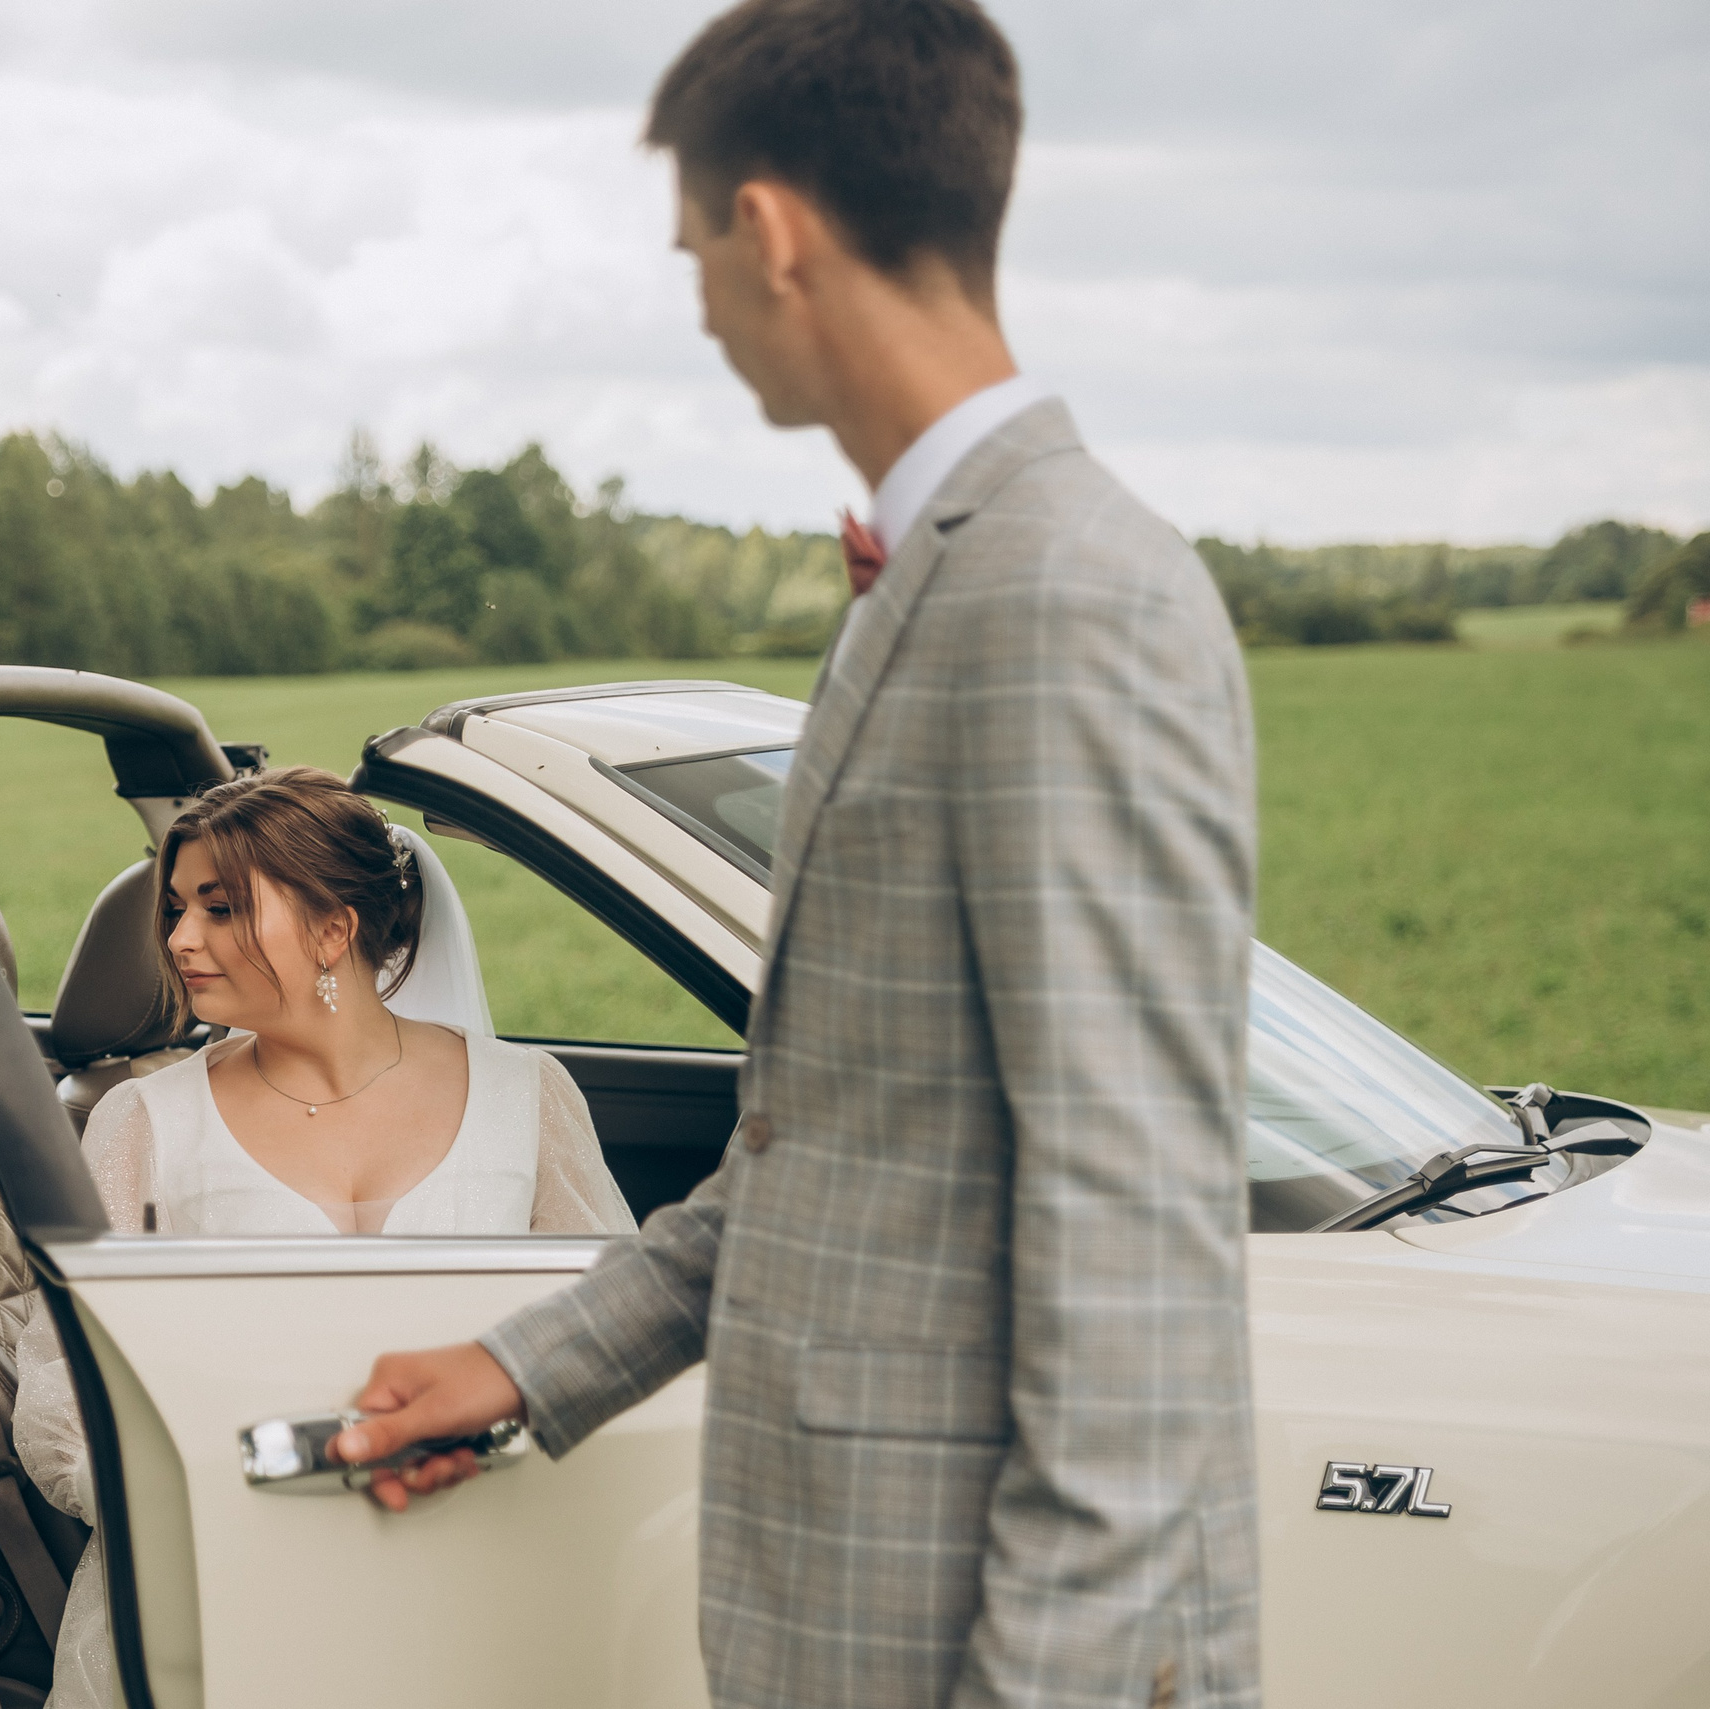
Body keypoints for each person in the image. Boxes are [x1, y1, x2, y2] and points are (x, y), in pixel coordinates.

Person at [328, 3, 1263, 1707]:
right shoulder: (941, 586)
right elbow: (836, 1143)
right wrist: (523, 1364)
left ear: (767, 229)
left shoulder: (1067, 596)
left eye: (689, 244)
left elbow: (1136, 1265)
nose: (694, 295)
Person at [11, 766, 633, 1709]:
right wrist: (190, 1503)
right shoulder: (144, 1121)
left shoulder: (528, 1098)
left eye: (220, 909)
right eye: (176, 908)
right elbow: (61, 1383)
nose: (180, 939)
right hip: (213, 1593)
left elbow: (615, 1327)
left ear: (335, 927)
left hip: (477, 1571)